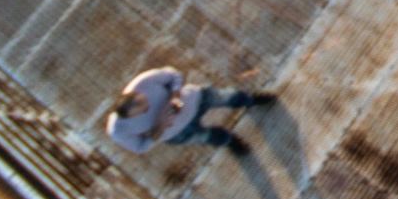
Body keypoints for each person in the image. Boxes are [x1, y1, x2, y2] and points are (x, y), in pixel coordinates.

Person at [104, 67, 275, 155]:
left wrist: (175, 96)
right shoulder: (118, 131)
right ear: (130, 116)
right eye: (143, 109)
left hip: (195, 99)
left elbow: (173, 75)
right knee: (209, 137)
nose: (148, 105)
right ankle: (231, 142)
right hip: (177, 132)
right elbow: (140, 148)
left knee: (228, 97)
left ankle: (252, 100)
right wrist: (159, 128)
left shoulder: (142, 83)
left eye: (143, 100)